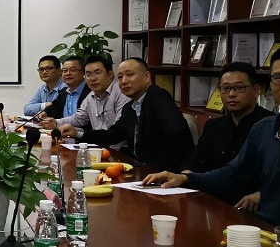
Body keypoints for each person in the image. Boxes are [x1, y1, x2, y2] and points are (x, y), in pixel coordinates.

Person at [143, 46, 280, 233]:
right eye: (279, 78)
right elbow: (233, 173)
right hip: (261, 231)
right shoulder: (263, 129)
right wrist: (185, 178)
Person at [60, 57, 193, 172]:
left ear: (147, 77)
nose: (124, 81)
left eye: (129, 75)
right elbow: (113, 135)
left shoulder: (158, 97)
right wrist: (78, 132)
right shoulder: (130, 107)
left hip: (166, 172)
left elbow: (178, 133)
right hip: (142, 168)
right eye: (120, 77)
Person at [177, 62, 274, 207]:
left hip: (249, 207)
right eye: (226, 88)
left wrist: (263, 194)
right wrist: (185, 176)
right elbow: (192, 162)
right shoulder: (214, 126)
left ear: (256, 90)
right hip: (208, 201)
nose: (231, 94)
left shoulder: (269, 126)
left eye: (239, 88)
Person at [43, 53, 129, 136]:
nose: (93, 78)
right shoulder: (90, 97)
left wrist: (78, 133)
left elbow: (119, 132)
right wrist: (55, 122)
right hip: (97, 143)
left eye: (97, 73)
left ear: (110, 74)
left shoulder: (122, 93)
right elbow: (78, 119)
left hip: (118, 145)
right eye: (88, 74)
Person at [41, 55, 90, 120]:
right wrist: (45, 113)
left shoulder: (90, 92)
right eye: (65, 71)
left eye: (72, 70)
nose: (68, 73)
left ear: (84, 73)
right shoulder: (63, 92)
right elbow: (54, 108)